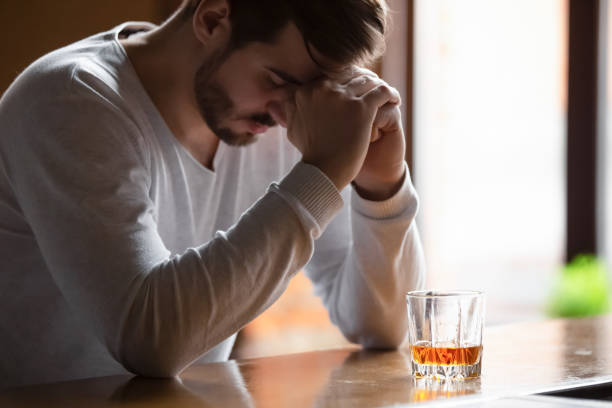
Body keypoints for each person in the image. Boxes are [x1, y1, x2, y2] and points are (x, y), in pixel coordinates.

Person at [0, 0, 425, 388]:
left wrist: (382, 187)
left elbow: (382, 326)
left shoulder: (278, 118)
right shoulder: (72, 100)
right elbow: (149, 340)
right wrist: (321, 174)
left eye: (308, 91)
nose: (283, 114)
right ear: (212, 18)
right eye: (276, 79)